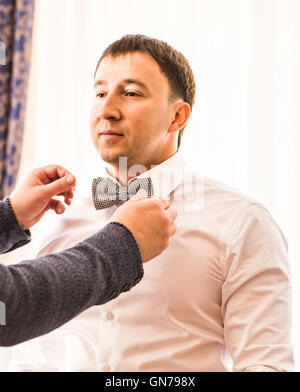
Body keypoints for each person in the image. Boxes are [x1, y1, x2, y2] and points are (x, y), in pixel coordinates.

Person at [9, 34, 294, 372]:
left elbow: (265, 364)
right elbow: (30, 355)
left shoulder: (243, 223)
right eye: (100, 93)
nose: (106, 110)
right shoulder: (57, 212)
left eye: (130, 93)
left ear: (177, 117)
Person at [0, 164, 177, 346]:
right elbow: (8, 310)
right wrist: (120, 246)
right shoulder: (62, 218)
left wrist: (7, 217)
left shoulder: (207, 214)